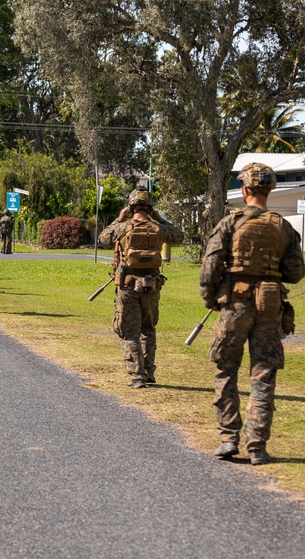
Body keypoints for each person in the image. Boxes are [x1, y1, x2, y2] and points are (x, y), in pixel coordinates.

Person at [201, 163, 305, 465]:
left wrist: (212, 299)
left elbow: (209, 268)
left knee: (225, 369)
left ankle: (228, 438)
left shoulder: (229, 223)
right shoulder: (283, 226)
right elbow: (296, 272)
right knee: (263, 374)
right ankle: (257, 446)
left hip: (234, 305)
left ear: (245, 190)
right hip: (269, 307)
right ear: (269, 190)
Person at [98, 187, 184, 389]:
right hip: (151, 287)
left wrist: (119, 219)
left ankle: (137, 376)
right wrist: (160, 219)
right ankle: (148, 372)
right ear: (151, 208)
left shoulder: (122, 228)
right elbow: (179, 236)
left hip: (128, 287)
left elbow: (103, 239)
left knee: (130, 331)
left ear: (130, 206)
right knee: (148, 329)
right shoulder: (158, 229)